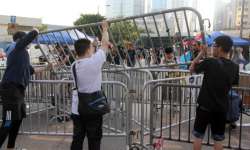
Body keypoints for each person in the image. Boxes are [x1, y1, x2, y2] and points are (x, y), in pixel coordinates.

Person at [0, 29, 52, 150]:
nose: (29, 43)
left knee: (17, 121)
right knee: (7, 123)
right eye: (26, 40)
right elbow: (31, 35)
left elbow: (31, 70)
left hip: (19, 93)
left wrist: (46, 68)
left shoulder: (22, 54)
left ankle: (10, 148)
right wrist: (36, 30)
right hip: (10, 91)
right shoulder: (16, 49)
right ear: (20, 40)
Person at [190, 35, 239, 150]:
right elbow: (234, 83)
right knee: (218, 139)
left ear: (220, 48)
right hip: (221, 108)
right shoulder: (235, 67)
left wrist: (202, 53)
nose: (213, 48)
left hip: (205, 106)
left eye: (214, 45)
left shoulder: (210, 62)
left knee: (198, 137)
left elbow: (192, 68)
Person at [70, 21, 111, 150]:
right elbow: (105, 45)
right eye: (92, 48)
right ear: (88, 50)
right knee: (94, 139)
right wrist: (105, 29)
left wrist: (93, 45)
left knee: (77, 138)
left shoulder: (74, 65)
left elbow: (92, 51)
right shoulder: (94, 62)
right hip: (93, 107)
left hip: (77, 108)